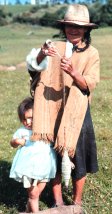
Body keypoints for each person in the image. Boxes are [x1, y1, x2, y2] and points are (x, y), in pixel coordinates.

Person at [26, 4, 100, 212]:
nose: (73, 29)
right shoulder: (54, 47)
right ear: (64, 26)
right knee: (54, 154)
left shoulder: (92, 53)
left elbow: (89, 84)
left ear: (86, 29)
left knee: (78, 156)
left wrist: (74, 73)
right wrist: (41, 55)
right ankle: (57, 201)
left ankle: (77, 202)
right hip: (53, 108)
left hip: (78, 112)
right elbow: (33, 68)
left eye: (78, 26)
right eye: (69, 25)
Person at [10, 97, 57, 213]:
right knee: (33, 194)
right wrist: (16, 142)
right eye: (24, 119)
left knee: (35, 194)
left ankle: (27, 211)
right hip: (28, 168)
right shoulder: (23, 131)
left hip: (45, 167)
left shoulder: (46, 130)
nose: (27, 122)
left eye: (31, 118)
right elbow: (13, 142)